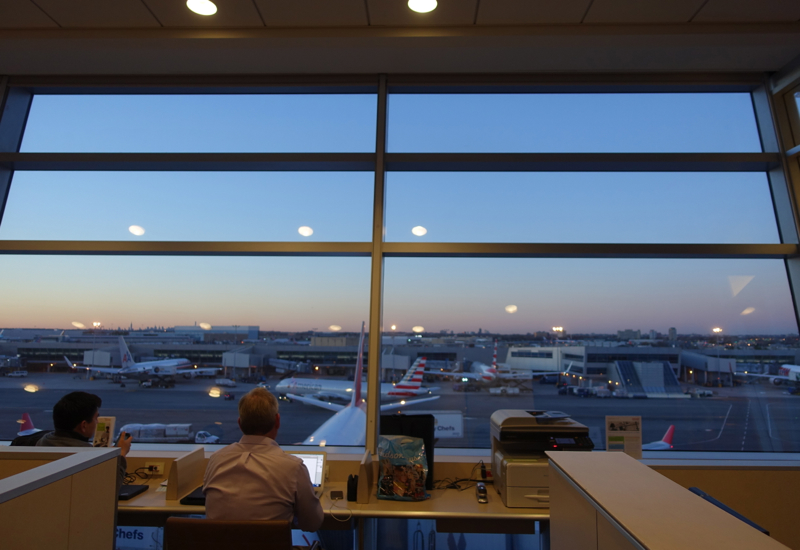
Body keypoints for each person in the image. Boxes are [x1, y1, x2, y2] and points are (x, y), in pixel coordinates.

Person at [203, 387, 323, 531]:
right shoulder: (293, 467)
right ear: (277, 422)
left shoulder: (216, 460)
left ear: (240, 424)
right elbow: (312, 524)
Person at [36, 391, 131, 487]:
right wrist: (122, 453)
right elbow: (110, 488)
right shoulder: (86, 456)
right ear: (84, 425)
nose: (97, 422)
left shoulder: (43, 441)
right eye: (95, 419)